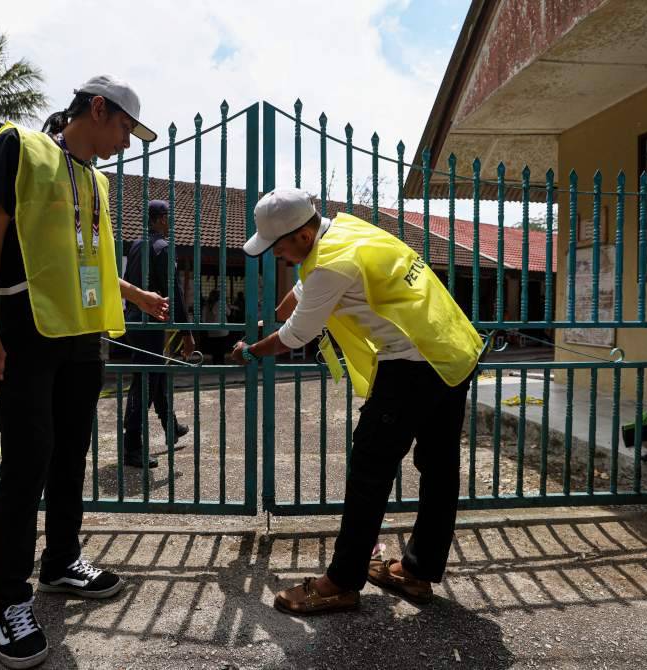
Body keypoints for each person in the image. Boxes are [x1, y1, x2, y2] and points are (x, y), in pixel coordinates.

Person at [0, 75, 167, 668]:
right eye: (125, 127)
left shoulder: (96, 180)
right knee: (28, 463)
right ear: (96, 108)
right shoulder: (19, 146)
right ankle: (7, 602)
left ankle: (61, 563)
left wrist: (135, 294)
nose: (127, 142)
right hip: (24, 326)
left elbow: (90, 255)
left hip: (81, 336)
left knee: (70, 453)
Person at [232, 188, 482, 615]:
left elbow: (295, 334)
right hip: (453, 350)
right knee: (439, 469)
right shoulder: (348, 229)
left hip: (412, 365)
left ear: (304, 238)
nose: (276, 255)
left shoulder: (329, 264)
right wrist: (286, 304)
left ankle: (341, 582)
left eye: (278, 247)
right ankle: (417, 572)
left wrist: (252, 350)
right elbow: (307, 286)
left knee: (369, 470)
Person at [121, 200, 195, 468]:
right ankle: (131, 447)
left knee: (156, 373)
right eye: (168, 217)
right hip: (150, 321)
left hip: (133, 319)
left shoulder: (137, 245)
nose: (170, 222)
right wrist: (187, 332)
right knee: (145, 382)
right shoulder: (163, 248)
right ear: (162, 219)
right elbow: (173, 291)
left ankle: (171, 425)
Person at [202, 288, 230, 364]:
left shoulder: (207, 305)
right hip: (222, 330)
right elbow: (229, 313)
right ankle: (222, 363)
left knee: (214, 348)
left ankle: (215, 363)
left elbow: (203, 319)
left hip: (211, 330)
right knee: (222, 348)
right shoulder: (222, 303)